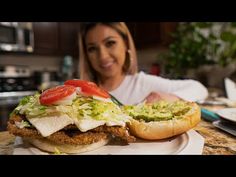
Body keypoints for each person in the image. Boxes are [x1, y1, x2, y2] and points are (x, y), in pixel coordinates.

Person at [78, 22, 208, 105]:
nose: (103, 56)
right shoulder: (81, 92)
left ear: (126, 44)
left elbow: (198, 88)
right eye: (92, 49)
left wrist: (171, 98)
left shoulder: (142, 83)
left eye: (110, 43)